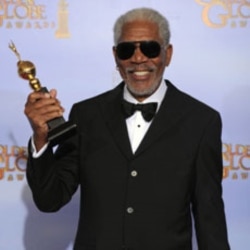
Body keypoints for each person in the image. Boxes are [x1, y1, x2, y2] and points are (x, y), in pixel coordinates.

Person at [25, 7, 230, 250]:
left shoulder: (201, 121)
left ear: (168, 53)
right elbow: (50, 199)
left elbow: (210, 220)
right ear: (115, 56)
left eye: (150, 48)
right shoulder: (86, 115)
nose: (138, 58)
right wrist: (40, 140)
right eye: (126, 50)